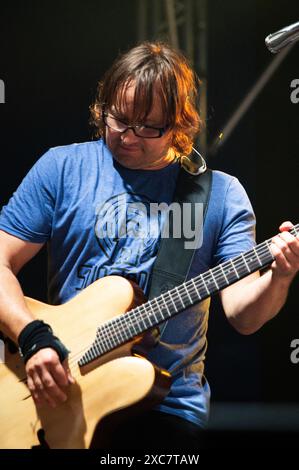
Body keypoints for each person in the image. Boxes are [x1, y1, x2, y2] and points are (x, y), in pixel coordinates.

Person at [0, 41, 298, 450]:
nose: (126, 137)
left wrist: (279, 278)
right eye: (118, 119)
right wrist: (33, 338)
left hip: (166, 409)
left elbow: (243, 316)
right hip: (60, 390)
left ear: (178, 125)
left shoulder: (221, 196)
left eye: (147, 128)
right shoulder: (62, 167)